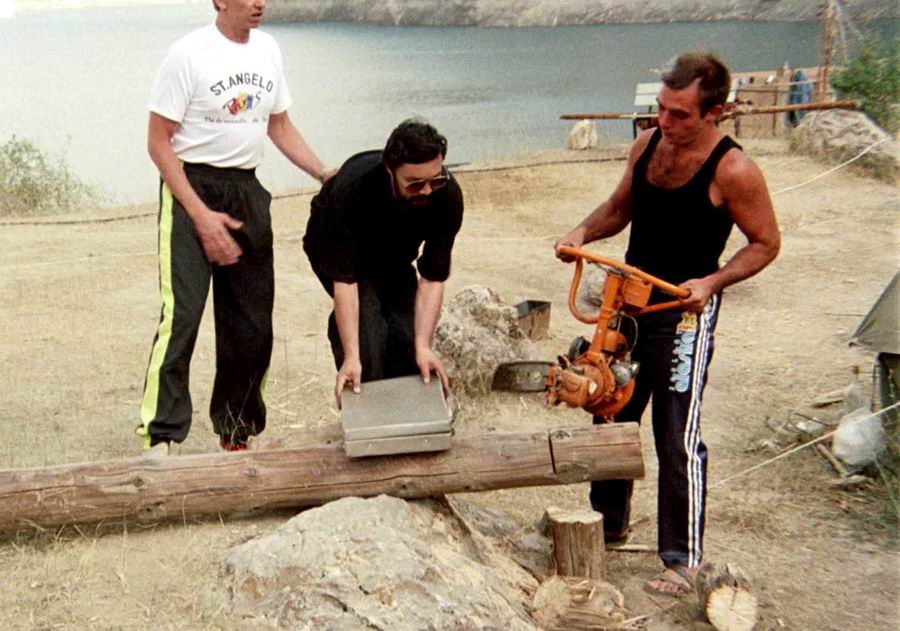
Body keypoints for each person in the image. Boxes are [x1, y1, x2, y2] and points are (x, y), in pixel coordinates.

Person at [554, 52, 780, 596]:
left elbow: (766, 243)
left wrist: (712, 282)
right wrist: (581, 233)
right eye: (661, 108)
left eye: (679, 114)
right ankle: (608, 525)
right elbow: (620, 207)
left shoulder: (733, 169)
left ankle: (683, 561)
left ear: (714, 113)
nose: (664, 121)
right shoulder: (646, 144)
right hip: (628, 304)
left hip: (683, 315)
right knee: (609, 409)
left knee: (675, 434)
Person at [138, 0, 332, 455]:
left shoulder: (268, 50)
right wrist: (200, 215)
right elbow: (158, 142)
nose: (259, 2)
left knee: (252, 323)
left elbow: (279, 125)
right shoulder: (188, 54)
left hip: (246, 189)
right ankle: (161, 435)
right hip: (190, 186)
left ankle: (236, 430)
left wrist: (324, 173)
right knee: (183, 316)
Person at [303, 119, 464, 406]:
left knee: (407, 339)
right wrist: (352, 356)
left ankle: (404, 411)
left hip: (395, 252)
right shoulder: (353, 191)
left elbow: (432, 277)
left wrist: (424, 346)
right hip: (334, 243)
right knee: (368, 334)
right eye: (415, 184)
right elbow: (346, 282)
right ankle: (364, 402)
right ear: (390, 170)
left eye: (435, 180)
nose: (427, 190)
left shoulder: (447, 196)